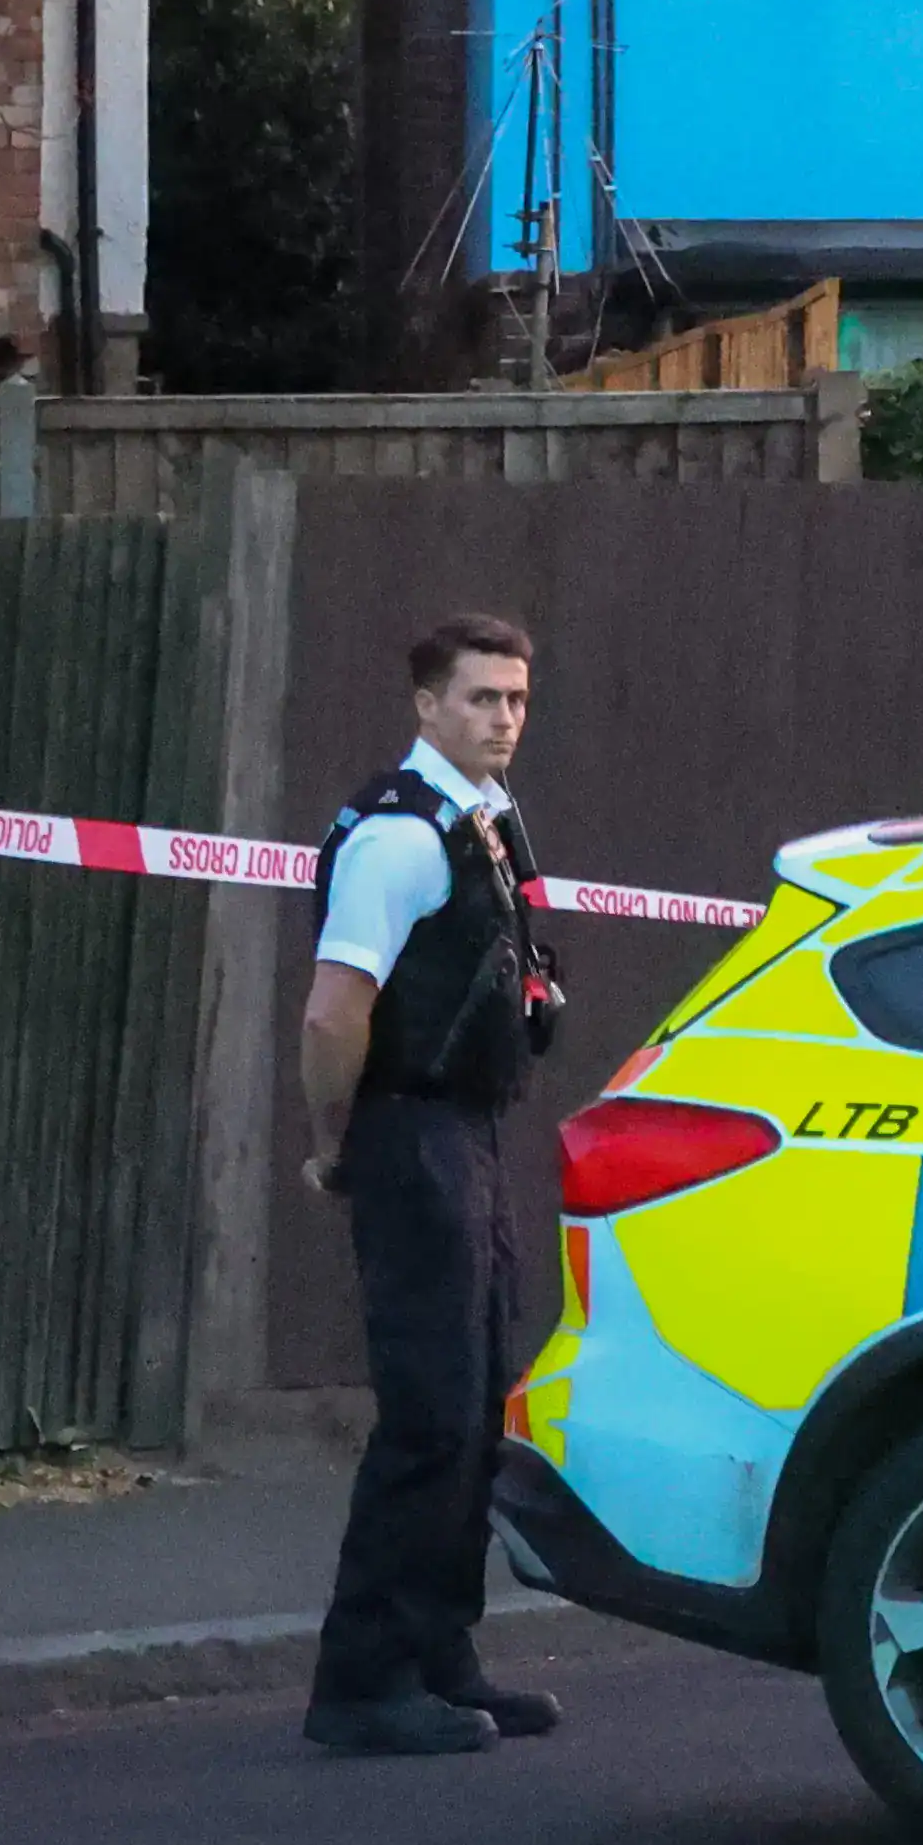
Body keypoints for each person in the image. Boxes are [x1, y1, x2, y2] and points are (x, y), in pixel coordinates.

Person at [297, 614, 569, 1758]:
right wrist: (334, 1137)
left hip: (467, 1132)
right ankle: (362, 1679)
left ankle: (443, 1655)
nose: (502, 717)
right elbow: (331, 1009)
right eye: (478, 698)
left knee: (478, 1403)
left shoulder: (485, 823)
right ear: (425, 706)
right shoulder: (403, 842)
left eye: (514, 697)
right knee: (427, 1413)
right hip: (410, 1135)